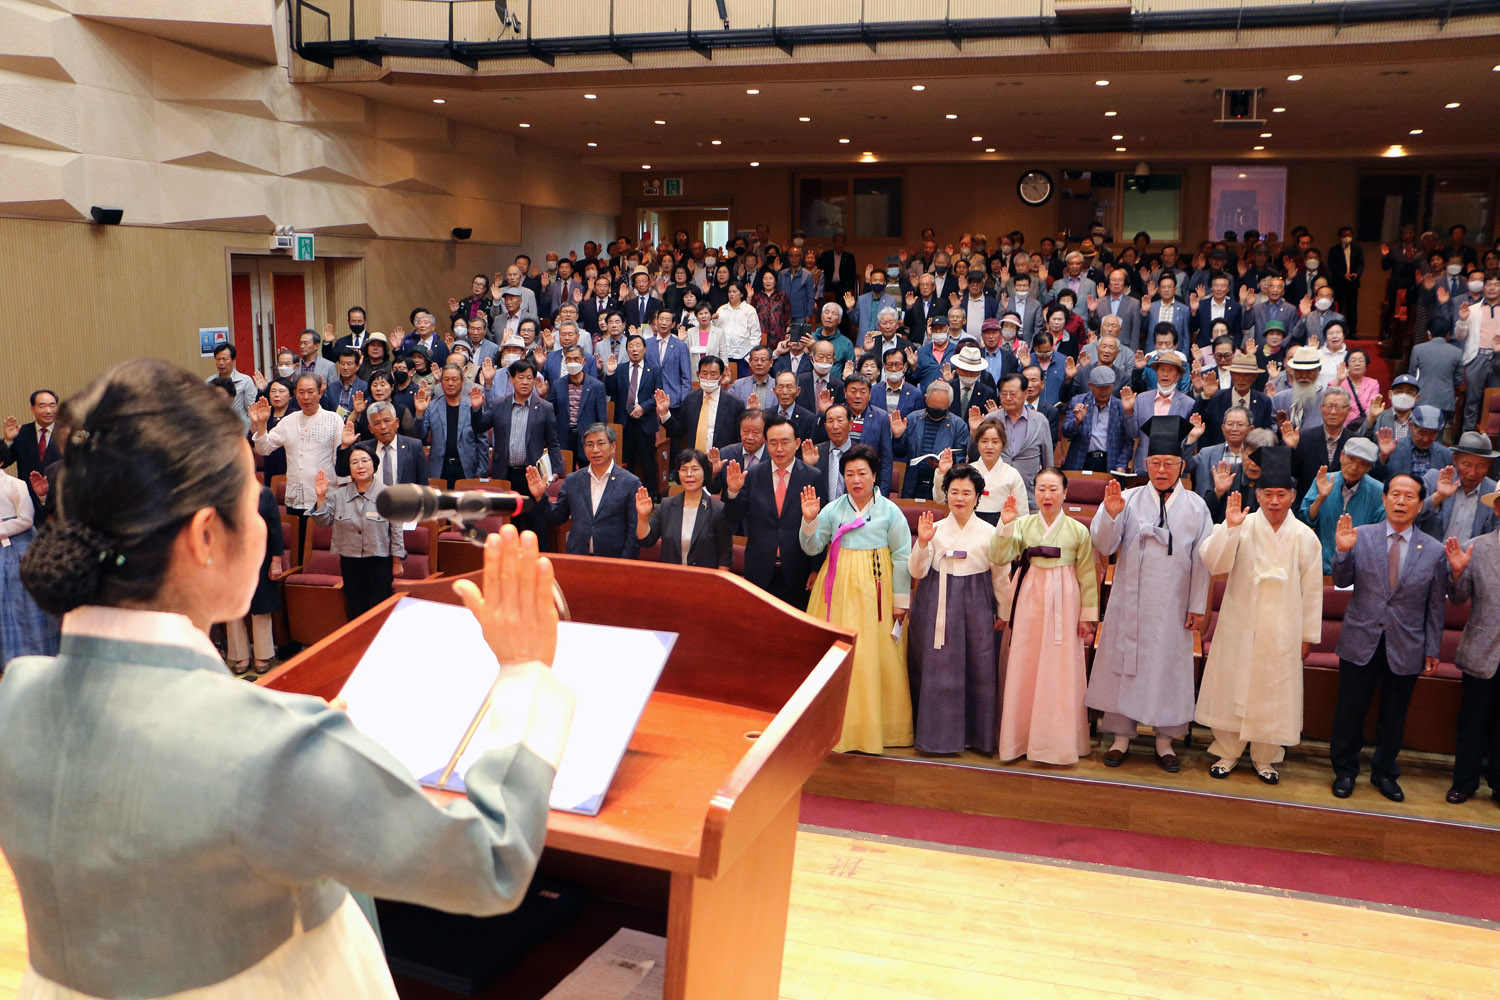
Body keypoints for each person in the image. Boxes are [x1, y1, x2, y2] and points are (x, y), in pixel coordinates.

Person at [7, 359, 574, 1000]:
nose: (263, 520)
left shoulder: (16, 696)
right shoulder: (269, 747)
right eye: (254, 502)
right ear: (204, 537)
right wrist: (525, 672)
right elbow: (492, 863)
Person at [1086, 417, 1213, 771]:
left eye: (1169, 464)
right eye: (1155, 463)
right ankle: (1121, 736)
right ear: (1145, 464)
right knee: (1124, 666)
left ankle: (1165, 741)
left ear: (1181, 466)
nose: (1161, 470)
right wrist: (1111, 517)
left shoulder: (1197, 508)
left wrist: (1198, 606)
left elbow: (1203, 562)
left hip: (1173, 606)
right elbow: (1104, 545)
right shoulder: (1124, 499)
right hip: (1131, 603)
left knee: (1167, 670)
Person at [1194, 446, 1323, 783]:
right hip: (1241, 620)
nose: (1274, 501)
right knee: (1233, 683)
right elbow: (1212, 561)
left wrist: (1307, 636)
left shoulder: (1305, 537)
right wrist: (1230, 528)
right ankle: (1227, 752)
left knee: (1274, 690)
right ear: (1258, 493)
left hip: (1283, 628)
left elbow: (1312, 591)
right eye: (1268, 494)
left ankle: (1266, 757)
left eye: (1282, 494)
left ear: (1293, 496)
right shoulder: (1244, 524)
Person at [1328, 476, 1446, 802]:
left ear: (1420, 505)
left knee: (1395, 715)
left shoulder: (1434, 551)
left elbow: (1436, 607)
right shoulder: (1361, 536)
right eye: (1395, 494)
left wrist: (1432, 648)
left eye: (1409, 496)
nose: (1401, 501)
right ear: (1384, 499)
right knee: (1350, 711)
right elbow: (1341, 579)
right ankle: (1345, 771)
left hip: (1407, 644)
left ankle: (1384, 772)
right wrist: (1341, 551)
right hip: (1360, 637)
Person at [799, 443, 912, 753]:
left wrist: (900, 600)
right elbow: (812, 548)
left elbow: (903, 555)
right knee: (837, 656)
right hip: (836, 590)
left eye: (862, 472)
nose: (856, 479)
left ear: (874, 476)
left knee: (875, 657)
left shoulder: (890, 511)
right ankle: (832, 728)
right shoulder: (833, 509)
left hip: (877, 590)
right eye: (849, 474)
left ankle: (878, 729)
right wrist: (809, 521)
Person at [990, 468, 1098, 765]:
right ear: (1033, 493)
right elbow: (999, 557)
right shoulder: (1022, 524)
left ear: (1065, 492)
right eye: (1041, 489)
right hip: (1027, 594)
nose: (1047, 495)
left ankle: (1056, 743)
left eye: (1053, 489)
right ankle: (1019, 739)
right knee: (1025, 661)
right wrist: (1005, 526)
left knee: (1060, 667)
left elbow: (1088, 575)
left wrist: (1086, 616)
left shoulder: (1078, 531)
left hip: (1064, 597)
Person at [907, 464, 1006, 755]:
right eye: (954, 492)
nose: (959, 498)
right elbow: (917, 570)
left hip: (976, 602)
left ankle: (975, 735)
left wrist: (1005, 610)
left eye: (966, 492)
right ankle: (935, 735)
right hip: (936, 599)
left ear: (978, 497)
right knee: (937, 667)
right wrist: (922, 543)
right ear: (945, 494)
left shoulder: (990, 532)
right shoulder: (934, 529)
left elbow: (1000, 574)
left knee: (978, 665)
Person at [724, 413, 825, 609]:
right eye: (773, 443)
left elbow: (820, 526)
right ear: (766, 444)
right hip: (759, 568)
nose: (779, 449)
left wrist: (816, 569)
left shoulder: (813, 476)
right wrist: (733, 492)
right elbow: (732, 518)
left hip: (798, 570)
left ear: (796, 443)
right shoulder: (752, 475)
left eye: (784, 442)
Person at [308, 448, 404, 621]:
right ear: (349, 469)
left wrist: (397, 562)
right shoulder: (338, 495)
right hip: (350, 561)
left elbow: (396, 532)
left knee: (381, 610)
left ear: (374, 465)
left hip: (379, 562)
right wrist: (321, 497)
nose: (360, 466)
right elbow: (323, 522)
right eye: (354, 462)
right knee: (355, 609)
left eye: (365, 461)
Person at [526, 424, 641, 559]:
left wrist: (625, 564)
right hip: (578, 557)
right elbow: (557, 517)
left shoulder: (630, 482)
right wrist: (540, 496)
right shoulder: (573, 480)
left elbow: (634, 531)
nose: (595, 450)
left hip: (614, 560)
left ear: (613, 446)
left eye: (601, 444)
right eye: (589, 444)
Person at [250, 373, 342, 521]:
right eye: (301, 392)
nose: (306, 397)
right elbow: (263, 449)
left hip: (324, 496)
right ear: (295, 394)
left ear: (320, 393)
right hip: (295, 497)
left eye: (311, 392)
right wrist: (261, 424)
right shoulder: (289, 421)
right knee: (297, 542)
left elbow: (339, 459)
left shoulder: (334, 420)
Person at [1299, 436, 1384, 573]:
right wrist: (1321, 498)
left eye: (1362, 464)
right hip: (1321, 566)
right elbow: (1304, 521)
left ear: (1369, 468)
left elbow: (1379, 534)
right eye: (1351, 459)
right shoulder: (1323, 481)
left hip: (1360, 570)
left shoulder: (1378, 492)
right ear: (1342, 456)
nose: (1354, 467)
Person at [635, 450, 733, 568]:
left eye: (695, 469)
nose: (689, 474)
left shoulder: (717, 509)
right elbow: (646, 541)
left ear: (705, 473)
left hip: (705, 580)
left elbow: (725, 553)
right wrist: (642, 517)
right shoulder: (667, 506)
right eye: (684, 469)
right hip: (672, 578)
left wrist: (719, 584)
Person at [0, 469, 57, 661]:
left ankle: (27, 653)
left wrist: (2, 528)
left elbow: (26, 519)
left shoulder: (16, 484)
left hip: (17, 547)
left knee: (21, 600)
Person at [226, 484, 283, 676]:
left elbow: (275, 527)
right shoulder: (221, 490)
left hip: (261, 556)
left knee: (261, 606)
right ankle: (240, 655)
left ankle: (263, 655)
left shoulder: (264, 493)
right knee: (233, 608)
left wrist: (276, 560)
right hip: (229, 557)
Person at [657, 355, 745, 467]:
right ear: (698, 375)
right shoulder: (691, 399)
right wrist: (665, 413)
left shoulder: (735, 404)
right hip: (695, 463)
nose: (708, 378)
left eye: (713, 374)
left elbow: (739, 440)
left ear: (722, 377)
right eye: (704, 373)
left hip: (722, 463)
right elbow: (678, 432)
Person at [890, 382, 970, 500]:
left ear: (949, 404)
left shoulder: (958, 425)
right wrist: (897, 436)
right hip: (912, 484)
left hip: (942, 485)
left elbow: (960, 459)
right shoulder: (912, 419)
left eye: (941, 409)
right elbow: (899, 452)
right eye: (933, 408)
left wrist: (945, 465)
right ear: (926, 399)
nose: (936, 411)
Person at [1418, 432, 1500, 543]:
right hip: (1429, 555)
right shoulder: (1433, 479)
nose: (1472, 473)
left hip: (1471, 558)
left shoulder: (1494, 493)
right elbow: (1411, 516)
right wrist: (1438, 497)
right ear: (1455, 459)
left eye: (1480, 466)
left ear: (1489, 464)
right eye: (1466, 464)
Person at [1061, 366, 1132, 473]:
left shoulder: (1121, 407)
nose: (1104, 391)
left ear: (1114, 385)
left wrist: (1121, 465)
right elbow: (1066, 432)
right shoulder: (1079, 401)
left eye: (1107, 387)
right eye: (1100, 387)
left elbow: (1128, 442)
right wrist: (1077, 421)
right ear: (1090, 385)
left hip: (1110, 462)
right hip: (1081, 461)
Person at [207, 343, 258, 420]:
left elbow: (251, 409)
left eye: (224, 359)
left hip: (240, 426)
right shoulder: (209, 382)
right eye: (218, 359)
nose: (221, 363)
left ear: (233, 360)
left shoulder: (245, 381)